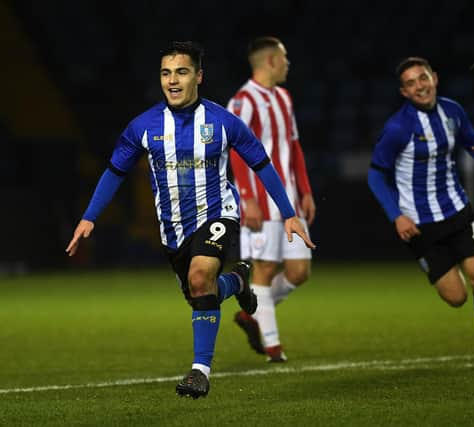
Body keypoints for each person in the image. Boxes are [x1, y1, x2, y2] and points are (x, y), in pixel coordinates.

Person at [66, 41, 316, 400]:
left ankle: (200, 371)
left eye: (181, 72)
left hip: (218, 214)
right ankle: (237, 282)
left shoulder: (223, 122)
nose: (172, 80)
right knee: (203, 291)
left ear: (198, 76)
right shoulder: (143, 126)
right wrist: (89, 217)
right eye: (166, 73)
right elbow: (114, 171)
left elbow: (262, 163)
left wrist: (288, 213)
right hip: (173, 228)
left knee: (201, 278)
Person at [367, 56, 474, 367]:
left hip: (458, 211)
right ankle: (445, 267)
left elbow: (469, 137)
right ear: (404, 92)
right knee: (456, 297)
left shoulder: (452, 110)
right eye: (411, 83)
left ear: (435, 78)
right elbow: (375, 175)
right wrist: (397, 216)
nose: (420, 86)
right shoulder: (398, 128)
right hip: (420, 225)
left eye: (423, 78)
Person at [227, 36, 316, 363]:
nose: (288, 63)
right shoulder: (241, 101)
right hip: (260, 202)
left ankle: (253, 314)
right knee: (263, 268)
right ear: (270, 61)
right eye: (284, 57)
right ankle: (273, 349)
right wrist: (247, 197)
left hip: (289, 201)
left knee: (299, 271)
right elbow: (235, 151)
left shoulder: (284, 97)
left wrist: (305, 191)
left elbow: (293, 147)